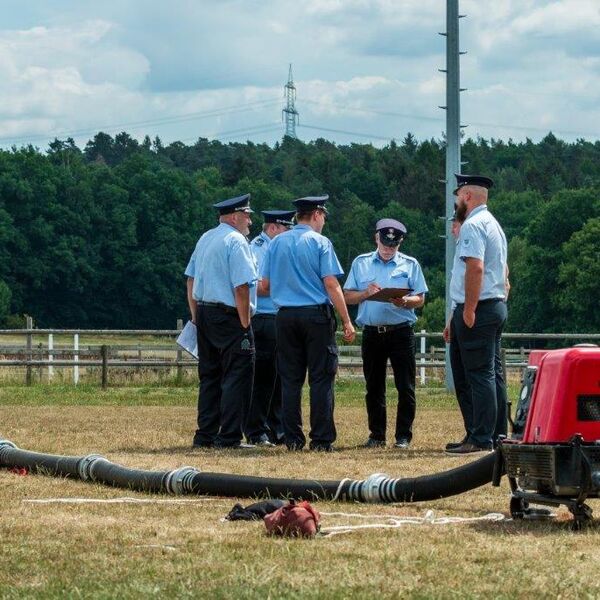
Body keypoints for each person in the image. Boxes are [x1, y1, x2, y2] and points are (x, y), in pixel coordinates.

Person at [260, 196, 355, 452]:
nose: (323, 221)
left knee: (290, 380)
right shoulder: (321, 243)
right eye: (323, 216)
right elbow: (331, 284)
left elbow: (266, 286)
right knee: (321, 378)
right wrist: (346, 320)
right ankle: (321, 439)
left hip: (285, 316)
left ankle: (292, 438)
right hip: (315, 316)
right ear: (316, 214)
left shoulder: (276, 243)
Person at [343, 219, 428, 449]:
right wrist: (365, 294)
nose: (389, 248)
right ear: (377, 239)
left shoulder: (411, 264)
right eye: (385, 243)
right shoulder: (360, 263)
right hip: (372, 332)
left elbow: (420, 299)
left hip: (401, 331)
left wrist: (405, 301)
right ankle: (377, 435)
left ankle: (403, 436)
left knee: (405, 386)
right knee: (374, 386)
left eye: (394, 244)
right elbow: (347, 296)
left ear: (399, 243)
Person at [185, 193, 258, 450]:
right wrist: (245, 323)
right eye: (246, 215)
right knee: (237, 374)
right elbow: (241, 287)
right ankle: (229, 437)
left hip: (204, 312)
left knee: (210, 376)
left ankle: (205, 435)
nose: (250, 220)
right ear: (234, 216)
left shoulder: (206, 237)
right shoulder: (236, 241)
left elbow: (190, 279)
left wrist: (195, 316)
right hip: (229, 315)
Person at [444, 174, 509, 455]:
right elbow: (502, 270)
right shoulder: (492, 223)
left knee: (478, 375)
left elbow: (475, 268)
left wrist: (468, 309)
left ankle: (481, 437)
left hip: (479, 308)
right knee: (492, 373)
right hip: (490, 306)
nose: (457, 202)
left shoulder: (472, 225)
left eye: (458, 196)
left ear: (467, 196)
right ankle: (493, 434)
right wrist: (455, 315)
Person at [244, 209, 296, 446]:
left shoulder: (279, 247)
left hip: (280, 317)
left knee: (280, 378)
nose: (289, 234)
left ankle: (278, 428)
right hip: (264, 318)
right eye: (286, 229)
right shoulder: (257, 248)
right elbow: (255, 286)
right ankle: (256, 429)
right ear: (273, 228)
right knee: (263, 379)